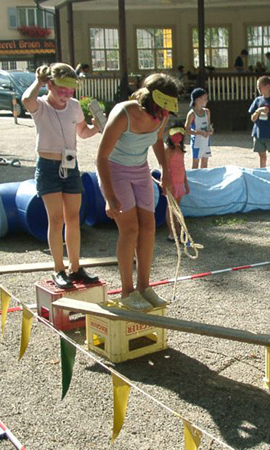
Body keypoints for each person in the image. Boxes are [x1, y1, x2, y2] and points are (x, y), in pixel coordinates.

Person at [96, 73, 178, 310]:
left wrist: (165, 170)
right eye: (162, 109)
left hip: (140, 170)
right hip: (115, 171)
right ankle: (127, 291)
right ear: (152, 101)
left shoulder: (161, 115)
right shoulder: (124, 114)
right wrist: (109, 196)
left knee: (149, 227)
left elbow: (157, 140)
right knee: (130, 230)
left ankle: (144, 287)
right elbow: (101, 158)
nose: (164, 115)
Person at [22, 63, 100, 289]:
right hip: (48, 165)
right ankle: (58, 268)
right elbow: (26, 99)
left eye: (70, 90)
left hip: (70, 165)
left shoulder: (74, 106)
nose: (66, 95)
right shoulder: (41, 105)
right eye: (61, 90)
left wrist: (96, 127)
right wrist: (38, 81)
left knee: (73, 217)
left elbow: (82, 132)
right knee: (56, 219)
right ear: (50, 85)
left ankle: (75, 267)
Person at [164, 126, 190, 242]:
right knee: (171, 208)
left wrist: (186, 183)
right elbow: (166, 168)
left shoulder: (180, 148)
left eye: (180, 134)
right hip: (172, 183)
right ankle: (172, 233)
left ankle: (178, 230)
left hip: (179, 182)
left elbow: (182, 167)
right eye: (175, 134)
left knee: (176, 208)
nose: (178, 137)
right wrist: (168, 183)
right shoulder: (168, 150)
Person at [185, 87, 213, 169]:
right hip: (196, 142)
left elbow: (209, 126)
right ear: (198, 99)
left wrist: (210, 130)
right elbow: (186, 130)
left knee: (205, 165)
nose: (206, 101)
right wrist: (200, 133)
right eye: (205, 99)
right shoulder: (191, 114)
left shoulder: (207, 111)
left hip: (206, 141)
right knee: (195, 165)